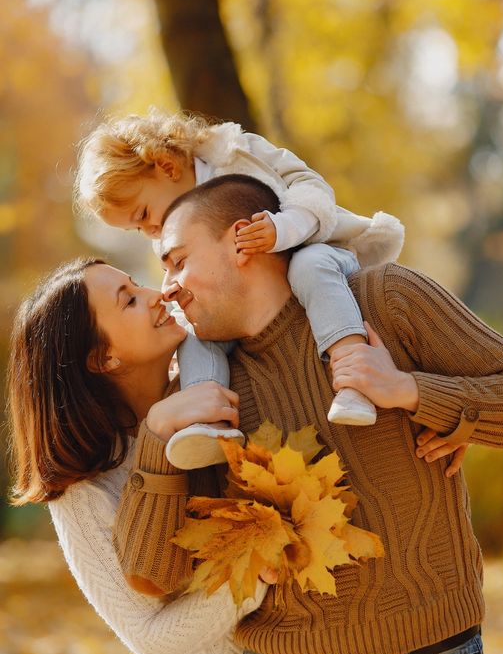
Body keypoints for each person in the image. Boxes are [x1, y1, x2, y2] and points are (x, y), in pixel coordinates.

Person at [113, 174, 503, 654]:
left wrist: (410, 391)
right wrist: (159, 434)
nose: (167, 286)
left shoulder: (385, 299)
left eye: (177, 260)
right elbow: (154, 575)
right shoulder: (204, 397)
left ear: (243, 240)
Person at [74, 111, 405, 470]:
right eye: (136, 230)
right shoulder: (169, 232)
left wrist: (283, 228)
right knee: (195, 333)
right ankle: (208, 420)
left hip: (315, 251)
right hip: (260, 308)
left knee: (308, 266)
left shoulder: (235, 153)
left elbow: (310, 186)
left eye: (142, 214)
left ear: (166, 167)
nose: (150, 231)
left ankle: (354, 378)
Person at [7, 258, 270, 654]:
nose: (157, 294)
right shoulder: (83, 492)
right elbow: (153, 641)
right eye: (129, 300)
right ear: (102, 357)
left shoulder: (211, 388)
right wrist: (257, 570)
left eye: (136, 285)